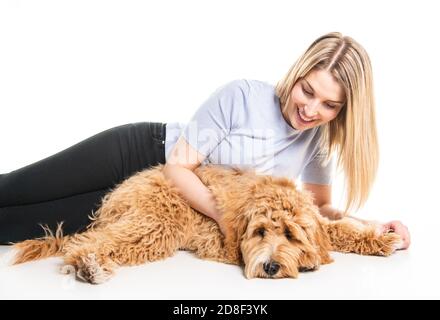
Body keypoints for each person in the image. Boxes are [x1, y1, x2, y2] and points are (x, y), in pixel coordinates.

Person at [0, 32, 410, 249]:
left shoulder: (317, 140)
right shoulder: (243, 95)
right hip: (139, 154)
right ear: (297, 73)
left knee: (19, 225)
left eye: (329, 105)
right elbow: (178, 165)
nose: (311, 110)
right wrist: (228, 216)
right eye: (307, 91)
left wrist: (369, 227)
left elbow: (317, 209)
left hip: (157, 203)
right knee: (15, 188)